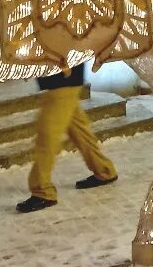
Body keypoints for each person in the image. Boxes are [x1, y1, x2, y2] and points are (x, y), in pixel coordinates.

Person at [17, 62, 118, 213]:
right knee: (78, 130)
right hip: (63, 77)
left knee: (47, 135)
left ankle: (43, 191)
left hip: (63, 77)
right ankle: (104, 170)